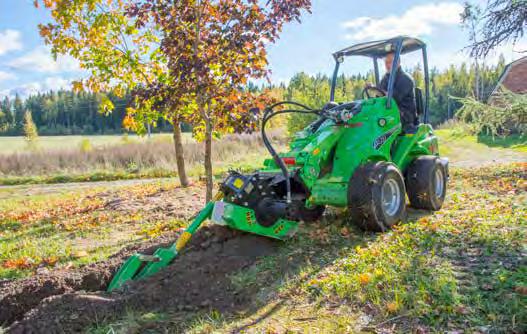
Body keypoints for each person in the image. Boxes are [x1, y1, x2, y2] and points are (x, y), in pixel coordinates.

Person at [378, 52, 418, 133]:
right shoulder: (384, 79)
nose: (387, 65)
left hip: (405, 116)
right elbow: (379, 96)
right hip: (390, 113)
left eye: (390, 62)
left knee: (382, 121)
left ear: (398, 62)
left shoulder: (405, 79)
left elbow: (393, 98)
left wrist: (380, 93)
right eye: (386, 62)